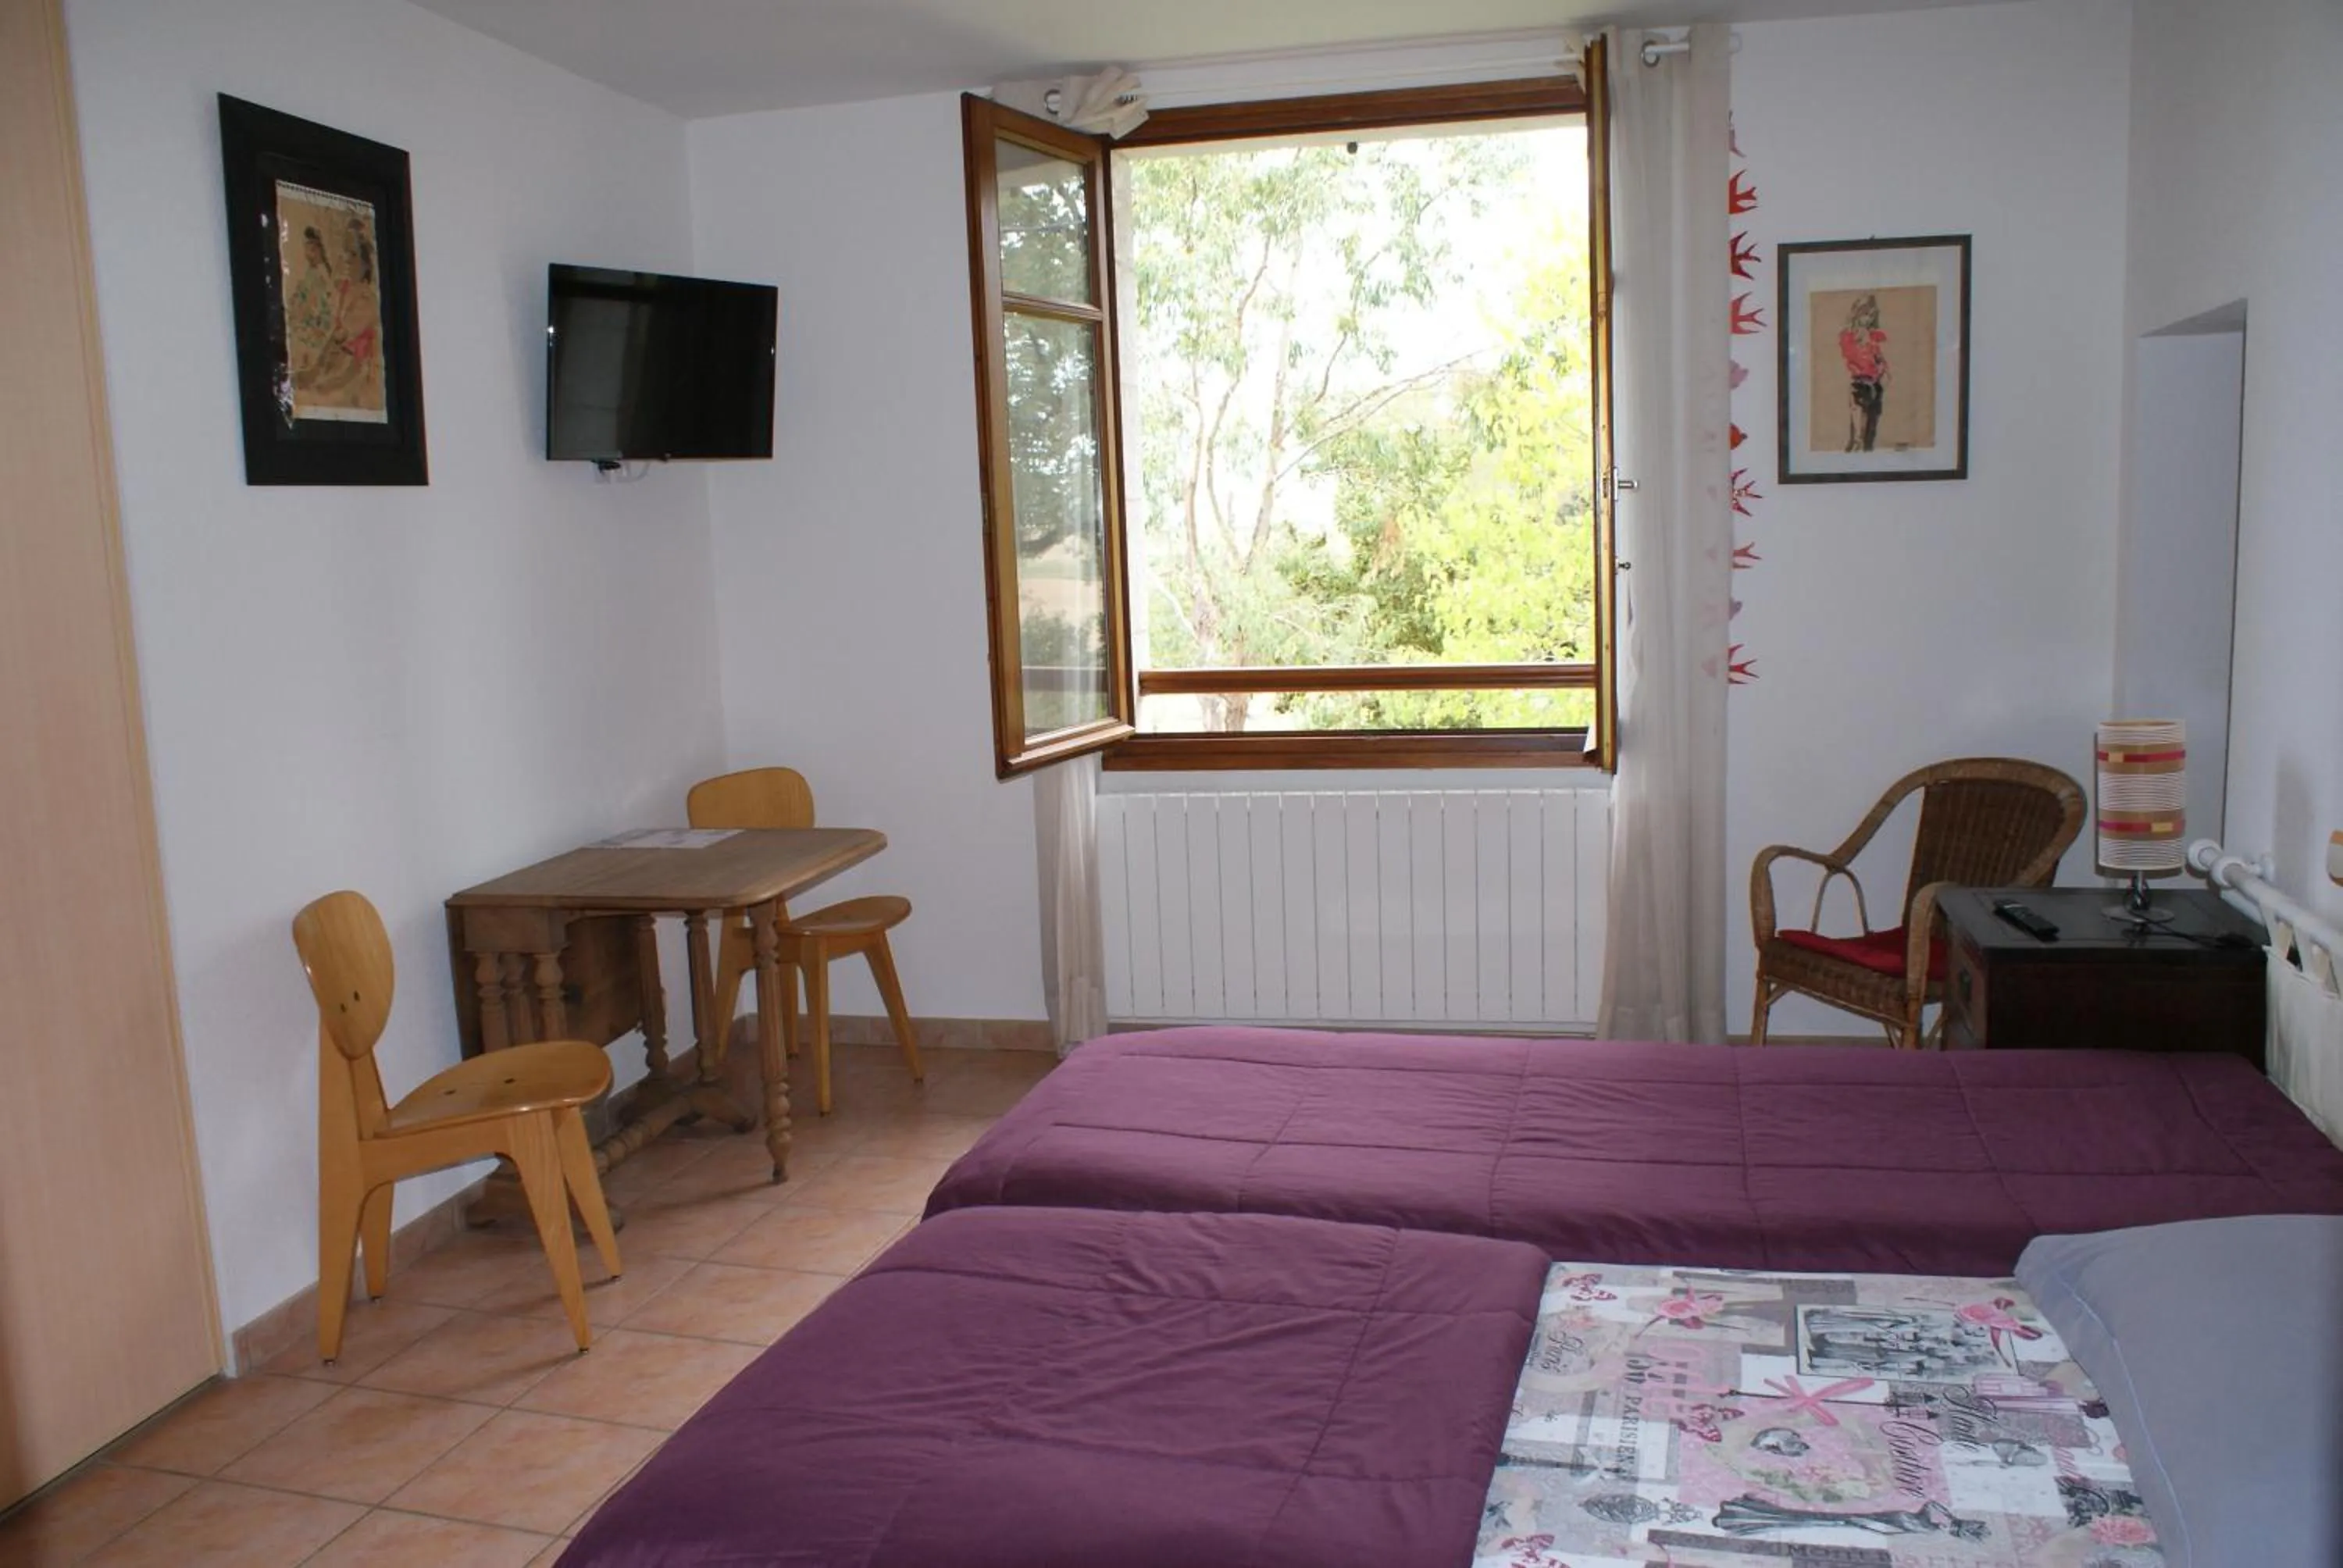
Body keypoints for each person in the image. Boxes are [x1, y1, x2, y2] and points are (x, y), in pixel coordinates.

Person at [1837, 293, 1888, 453]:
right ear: (1857, 313)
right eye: (1866, 314)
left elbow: (1880, 358)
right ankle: (1856, 446)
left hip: (1875, 384)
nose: (1868, 319)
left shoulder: (1875, 337)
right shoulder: (1848, 335)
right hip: (1860, 382)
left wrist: (1882, 367)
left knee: (1870, 429)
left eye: (1872, 316)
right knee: (1858, 430)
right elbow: (1850, 357)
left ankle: (1865, 451)